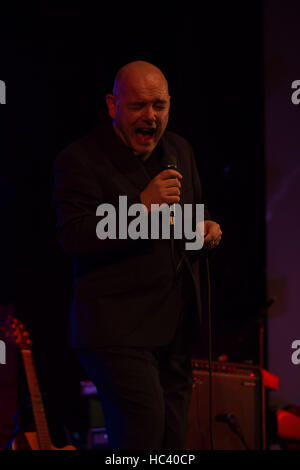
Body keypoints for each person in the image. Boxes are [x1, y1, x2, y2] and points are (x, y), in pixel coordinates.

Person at [53, 60, 222, 449]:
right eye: (138, 106)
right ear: (113, 105)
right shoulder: (80, 160)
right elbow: (74, 237)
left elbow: (191, 217)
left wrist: (207, 231)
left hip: (173, 329)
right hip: (115, 331)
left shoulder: (179, 149)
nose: (150, 116)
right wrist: (141, 206)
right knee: (141, 436)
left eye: (159, 106)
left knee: (171, 442)